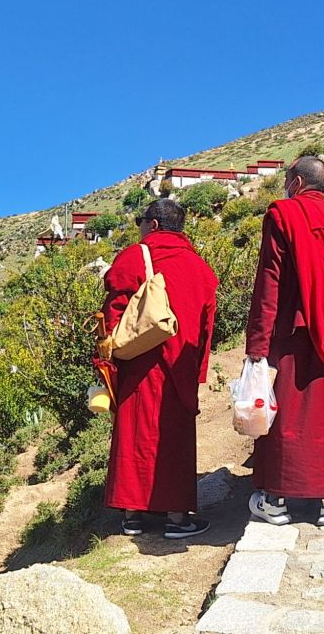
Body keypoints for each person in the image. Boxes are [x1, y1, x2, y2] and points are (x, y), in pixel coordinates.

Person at [245, 156, 324, 527]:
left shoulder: (282, 215)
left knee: (285, 415)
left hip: (291, 332)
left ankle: (275, 500)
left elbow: (269, 283)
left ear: (297, 183)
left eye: (287, 179)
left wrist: (257, 345)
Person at [102, 198, 218, 538]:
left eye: (141, 221)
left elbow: (114, 309)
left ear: (152, 224)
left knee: (135, 434)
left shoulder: (135, 256)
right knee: (173, 439)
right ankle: (177, 519)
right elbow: (206, 326)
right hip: (180, 365)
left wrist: (106, 360)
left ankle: (132, 517)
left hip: (139, 361)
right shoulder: (200, 267)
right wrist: (197, 371)